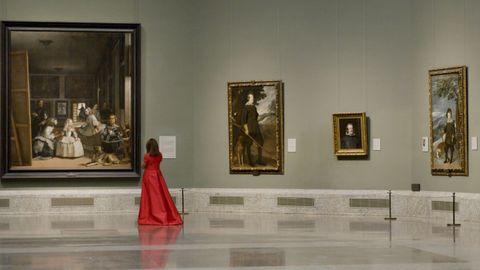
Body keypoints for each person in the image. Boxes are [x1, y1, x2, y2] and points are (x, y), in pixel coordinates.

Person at [138, 138, 183, 225]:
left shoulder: (147, 156)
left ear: (148, 146)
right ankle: (163, 214)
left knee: (149, 197)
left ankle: (151, 216)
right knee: (161, 195)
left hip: (149, 176)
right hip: (158, 175)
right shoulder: (160, 155)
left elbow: (143, 166)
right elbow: (157, 163)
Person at [240, 93, 265, 166]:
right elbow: (244, 120)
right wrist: (246, 129)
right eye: (251, 98)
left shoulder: (254, 107)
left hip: (256, 128)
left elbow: (256, 117)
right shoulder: (246, 107)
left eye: (253, 98)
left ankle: (259, 160)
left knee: (261, 142)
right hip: (249, 129)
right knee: (249, 144)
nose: (253, 99)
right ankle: (250, 162)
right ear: (248, 99)